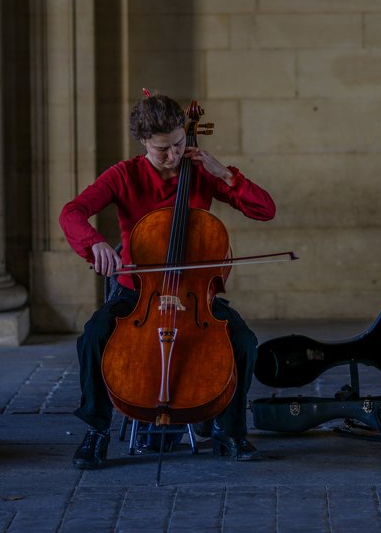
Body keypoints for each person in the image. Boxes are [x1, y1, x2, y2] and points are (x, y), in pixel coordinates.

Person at [59, 92, 276, 470]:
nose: (174, 156)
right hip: (136, 295)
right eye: (163, 149)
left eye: (178, 144)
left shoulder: (201, 172)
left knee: (243, 340)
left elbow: (265, 210)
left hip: (195, 297)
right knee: (93, 336)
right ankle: (95, 431)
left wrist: (223, 172)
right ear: (144, 142)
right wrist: (94, 244)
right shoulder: (124, 175)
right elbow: (72, 212)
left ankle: (231, 432)